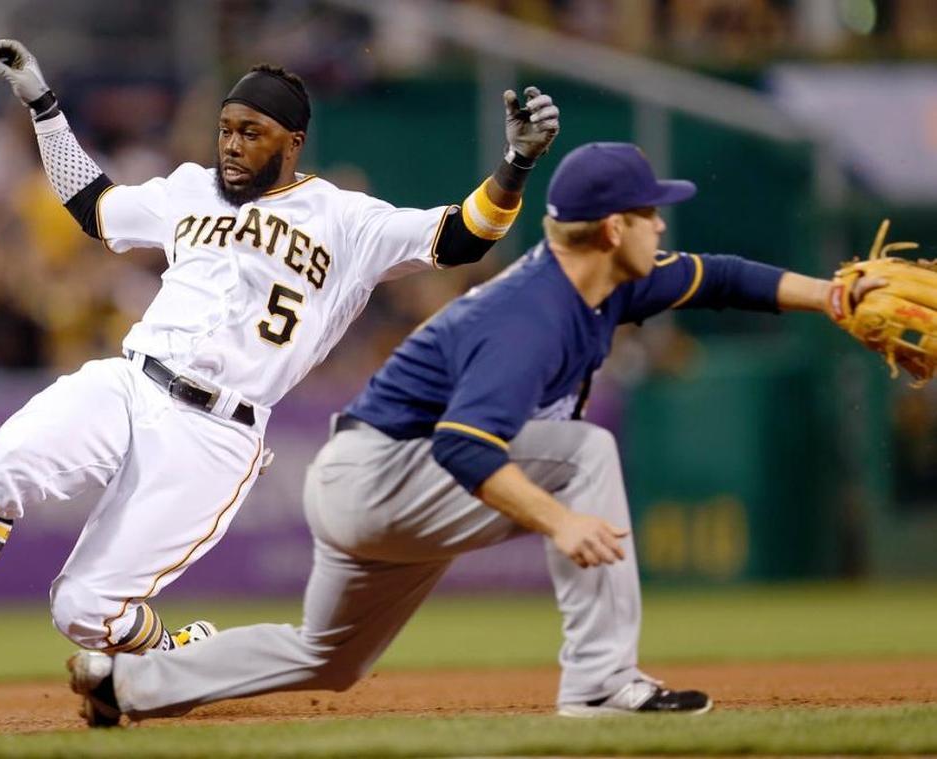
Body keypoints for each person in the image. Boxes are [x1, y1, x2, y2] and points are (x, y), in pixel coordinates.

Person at [0, 39, 560, 702]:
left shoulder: (347, 219)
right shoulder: (189, 189)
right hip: (133, 379)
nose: (232, 143)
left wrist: (516, 164)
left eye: (251, 131)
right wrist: (44, 107)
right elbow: (92, 205)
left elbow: (463, 235)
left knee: (82, 612)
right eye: (226, 128)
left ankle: (175, 654)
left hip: (215, 432)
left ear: (293, 141)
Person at [65, 141, 881, 724]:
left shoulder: (607, 283)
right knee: (587, 452)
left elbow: (724, 278)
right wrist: (559, 520)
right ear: (610, 229)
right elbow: (463, 443)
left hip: (368, 480)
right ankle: (599, 681)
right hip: (385, 475)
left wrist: (832, 297)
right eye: (649, 214)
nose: (661, 227)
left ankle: (124, 684)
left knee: (330, 658)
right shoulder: (532, 315)